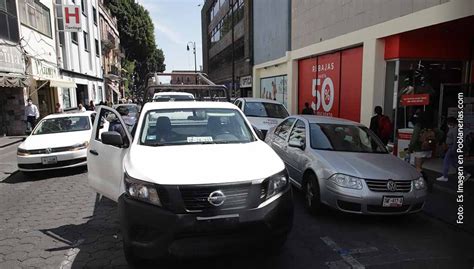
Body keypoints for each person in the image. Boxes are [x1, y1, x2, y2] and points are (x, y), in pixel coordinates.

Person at [437, 117, 471, 182]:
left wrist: (453, 149)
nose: (448, 124)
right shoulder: (452, 128)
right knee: (454, 163)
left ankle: (445, 176)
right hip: (451, 147)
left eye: (448, 123)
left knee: (446, 161)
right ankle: (465, 174)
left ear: (452, 123)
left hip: (453, 147)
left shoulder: (456, 129)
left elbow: (456, 140)